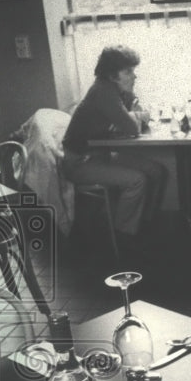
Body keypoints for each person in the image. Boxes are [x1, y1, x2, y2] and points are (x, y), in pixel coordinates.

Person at [62, 45, 167, 242]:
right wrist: (137, 115)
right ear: (112, 75)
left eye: (133, 71)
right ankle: (123, 236)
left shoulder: (112, 90)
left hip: (99, 155)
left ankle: (144, 224)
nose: (134, 76)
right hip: (79, 162)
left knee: (156, 170)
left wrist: (130, 98)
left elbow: (127, 118)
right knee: (137, 180)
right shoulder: (103, 91)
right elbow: (132, 127)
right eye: (128, 71)